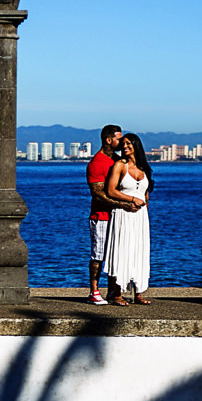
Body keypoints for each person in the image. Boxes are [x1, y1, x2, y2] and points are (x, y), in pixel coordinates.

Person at [104, 132, 154, 305]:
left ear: (136, 145)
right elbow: (110, 191)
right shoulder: (119, 165)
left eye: (128, 143)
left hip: (140, 216)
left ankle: (138, 292)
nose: (124, 146)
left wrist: (143, 202)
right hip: (122, 214)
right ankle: (116, 293)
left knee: (139, 250)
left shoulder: (144, 168)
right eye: (123, 144)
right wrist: (131, 199)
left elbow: (146, 193)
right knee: (122, 250)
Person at [85, 124, 128, 304]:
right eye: (118, 138)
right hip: (101, 217)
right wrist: (122, 204)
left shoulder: (119, 161)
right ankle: (94, 292)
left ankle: (113, 291)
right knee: (99, 254)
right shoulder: (97, 163)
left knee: (116, 254)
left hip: (118, 216)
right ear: (108, 140)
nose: (121, 141)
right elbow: (98, 193)